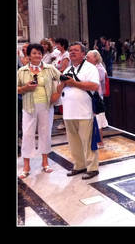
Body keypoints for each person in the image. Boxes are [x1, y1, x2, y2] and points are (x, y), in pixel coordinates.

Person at [55, 42, 100, 180]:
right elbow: (58, 90)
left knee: (87, 142)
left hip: (84, 112)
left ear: (83, 54)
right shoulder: (67, 70)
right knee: (74, 142)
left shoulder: (90, 68)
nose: (72, 52)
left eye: (76, 50)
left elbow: (94, 86)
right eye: (70, 50)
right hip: (69, 112)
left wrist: (74, 83)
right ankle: (79, 165)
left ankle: (92, 168)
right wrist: (62, 83)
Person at [17, 43, 62, 179]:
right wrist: (25, 88)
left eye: (39, 53)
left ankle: (45, 162)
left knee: (45, 133)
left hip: (46, 106)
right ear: (29, 55)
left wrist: (57, 93)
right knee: (27, 134)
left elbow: (62, 79)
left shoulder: (50, 68)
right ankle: (26, 166)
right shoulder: (22, 71)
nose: (37, 55)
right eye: (34, 53)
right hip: (29, 106)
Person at [86, 50, 109, 148]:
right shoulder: (91, 67)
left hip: (97, 97)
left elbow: (95, 82)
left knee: (98, 121)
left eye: (88, 57)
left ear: (95, 58)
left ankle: (100, 142)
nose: (86, 59)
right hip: (91, 97)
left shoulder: (99, 68)